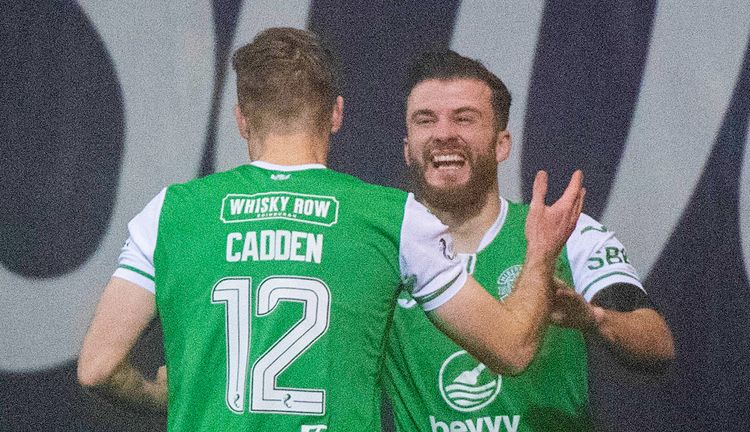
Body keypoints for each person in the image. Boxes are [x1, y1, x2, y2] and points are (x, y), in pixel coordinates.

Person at [76, 28, 585, 432]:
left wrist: (157, 394)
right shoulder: (392, 217)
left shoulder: (170, 213)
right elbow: (513, 348)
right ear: (337, 113)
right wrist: (538, 254)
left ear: (240, 118)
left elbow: (97, 367)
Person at [383, 50, 675, 432]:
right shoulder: (382, 250)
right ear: (407, 148)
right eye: (425, 120)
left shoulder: (569, 233)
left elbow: (658, 344)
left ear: (502, 144)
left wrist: (595, 317)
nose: (443, 134)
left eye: (464, 118)